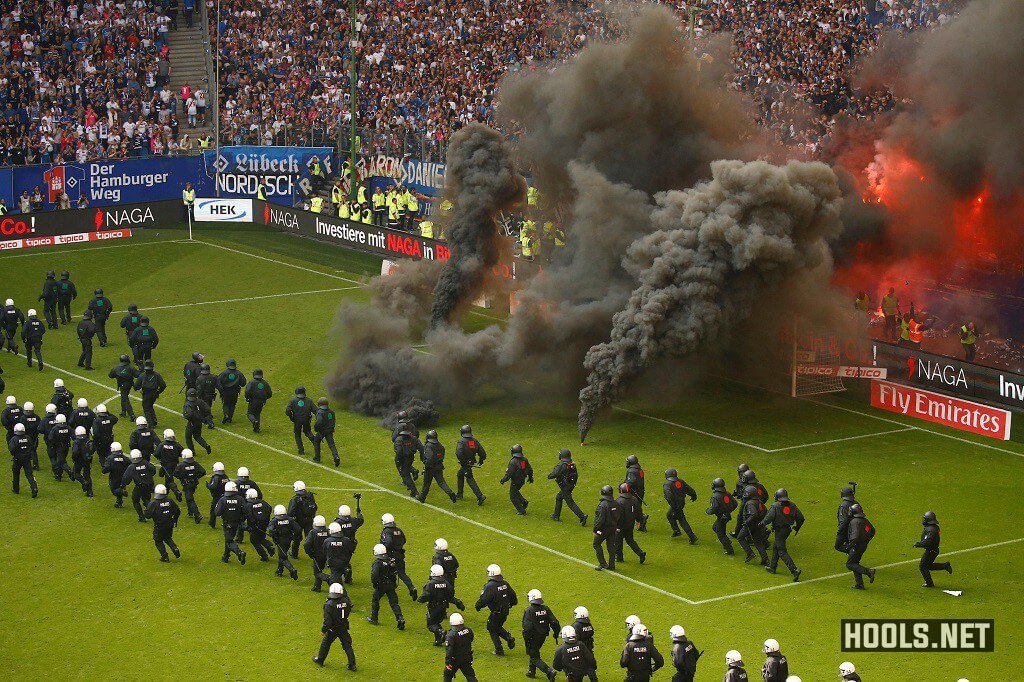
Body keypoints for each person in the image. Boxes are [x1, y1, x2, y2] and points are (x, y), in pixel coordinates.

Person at [475, 563, 518, 655]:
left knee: (491, 628)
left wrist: (478, 606)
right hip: (505, 611)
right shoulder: (505, 583)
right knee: (496, 626)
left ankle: (499, 649)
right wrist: (512, 604)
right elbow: (513, 596)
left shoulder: (490, 586)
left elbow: (484, 599)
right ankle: (508, 637)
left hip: (497, 612)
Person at [762, 489, 805, 581]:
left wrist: (762, 523)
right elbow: (801, 518)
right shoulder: (792, 505)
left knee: (781, 551)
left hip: (779, 530)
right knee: (776, 547)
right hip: (787, 530)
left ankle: (794, 570)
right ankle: (772, 568)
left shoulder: (775, 506)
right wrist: (797, 527)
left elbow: (769, 518)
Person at [313, 583, 357, 670]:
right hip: (343, 626)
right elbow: (348, 611)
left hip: (333, 629)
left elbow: (328, 621)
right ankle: (352, 664)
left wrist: (323, 630)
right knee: (347, 645)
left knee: (325, 644)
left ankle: (320, 659)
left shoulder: (329, 604)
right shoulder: (346, 601)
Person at [419, 564, 465, 646]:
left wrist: (420, 600)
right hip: (443, 607)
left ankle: (441, 632)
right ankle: (438, 641)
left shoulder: (430, 584)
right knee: (437, 623)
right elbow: (451, 594)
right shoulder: (446, 582)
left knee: (431, 625)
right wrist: (457, 602)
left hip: (433, 607)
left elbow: (426, 595)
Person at [522, 588, 559, 681]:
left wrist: (526, 638)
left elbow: (527, 628)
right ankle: (531, 671)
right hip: (542, 636)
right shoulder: (545, 609)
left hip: (532, 637)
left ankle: (549, 671)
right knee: (534, 651)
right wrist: (556, 633)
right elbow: (554, 622)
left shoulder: (529, 611)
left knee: (534, 656)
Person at [366, 542, 406, 627]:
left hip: (381, 585)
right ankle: (400, 618)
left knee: (375, 600)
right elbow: (395, 573)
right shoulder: (390, 560)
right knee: (394, 603)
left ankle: (374, 618)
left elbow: (374, 575)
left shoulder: (377, 563)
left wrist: (375, 584)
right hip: (391, 585)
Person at [380, 513, 417, 599]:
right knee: (402, 573)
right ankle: (412, 587)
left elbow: (388, 542)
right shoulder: (398, 530)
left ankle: (388, 589)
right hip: (400, 555)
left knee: (386, 572)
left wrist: (383, 548)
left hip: (390, 555)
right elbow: (404, 540)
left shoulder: (387, 531)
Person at [548, 448, 587, 525]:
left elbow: (554, 474)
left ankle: (582, 516)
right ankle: (556, 515)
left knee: (570, 503)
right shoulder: (571, 464)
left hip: (565, 487)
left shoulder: (562, 465)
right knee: (559, 497)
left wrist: (549, 476)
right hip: (570, 485)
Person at [145, 484, 181, 562]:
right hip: (169, 524)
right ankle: (174, 548)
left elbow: (147, 515)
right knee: (167, 537)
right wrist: (175, 519)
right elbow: (177, 510)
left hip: (159, 525)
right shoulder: (170, 501)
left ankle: (165, 556)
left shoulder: (154, 503)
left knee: (158, 540)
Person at [915, 511, 952, 587]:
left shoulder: (930, 530)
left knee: (923, 566)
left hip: (931, 551)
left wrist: (918, 544)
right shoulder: (934, 527)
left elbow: (927, 542)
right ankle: (945, 566)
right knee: (928, 566)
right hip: (933, 550)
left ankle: (929, 583)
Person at [419, 430, 457, 504]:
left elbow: (429, 458)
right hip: (439, 466)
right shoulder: (440, 445)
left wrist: (426, 465)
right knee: (441, 482)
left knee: (426, 483)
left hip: (430, 468)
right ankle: (450, 492)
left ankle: (422, 497)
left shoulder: (429, 446)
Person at [214, 480, 247, 564]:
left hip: (227, 523)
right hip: (236, 523)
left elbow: (217, 513)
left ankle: (239, 553)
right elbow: (246, 510)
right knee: (229, 539)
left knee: (229, 541)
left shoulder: (223, 499)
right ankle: (226, 556)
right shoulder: (240, 499)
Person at [736, 485, 770, 565]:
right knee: (758, 542)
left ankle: (750, 553)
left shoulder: (750, 503)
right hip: (758, 525)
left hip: (750, 525)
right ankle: (766, 560)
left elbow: (753, 514)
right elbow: (765, 511)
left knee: (740, 537)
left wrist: (747, 521)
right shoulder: (759, 502)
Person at [845, 503, 877, 589]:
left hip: (856, 546)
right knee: (855, 563)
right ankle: (859, 584)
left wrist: (849, 546)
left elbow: (854, 536)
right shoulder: (864, 521)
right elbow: (872, 531)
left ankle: (868, 571)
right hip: (863, 545)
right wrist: (866, 540)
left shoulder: (854, 522)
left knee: (850, 564)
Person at [664, 468, 698, 543]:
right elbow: (688, 489)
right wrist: (693, 495)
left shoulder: (667, 484)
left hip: (675, 505)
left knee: (682, 520)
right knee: (669, 515)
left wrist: (673, 507)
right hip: (681, 503)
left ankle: (692, 537)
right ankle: (676, 531)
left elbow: (669, 496)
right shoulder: (680, 481)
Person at [455, 424, 486, 505]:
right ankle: (459, 494)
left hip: (465, 464)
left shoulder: (461, 441)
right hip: (471, 462)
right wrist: (481, 459)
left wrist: (463, 462)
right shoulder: (474, 441)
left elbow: (458, 453)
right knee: (459, 474)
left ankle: (480, 496)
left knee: (469, 478)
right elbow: (482, 452)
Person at [616, 482, 647, 564]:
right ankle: (640, 553)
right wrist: (638, 520)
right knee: (630, 540)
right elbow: (639, 511)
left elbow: (618, 515)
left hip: (621, 525)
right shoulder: (634, 499)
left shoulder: (619, 501)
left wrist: (617, 525)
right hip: (630, 524)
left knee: (618, 541)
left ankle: (619, 557)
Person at [123, 449, 157, 522]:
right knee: (146, 500)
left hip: (139, 486)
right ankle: (154, 512)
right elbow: (153, 470)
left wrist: (123, 485)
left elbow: (126, 478)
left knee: (135, 500)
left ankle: (142, 517)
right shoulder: (146, 463)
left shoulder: (132, 467)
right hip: (149, 485)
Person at [173, 448, 206, 523]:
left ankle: (197, 514)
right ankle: (190, 511)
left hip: (187, 484)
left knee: (189, 499)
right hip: (194, 483)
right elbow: (203, 472)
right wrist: (196, 477)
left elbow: (175, 474)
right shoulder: (195, 463)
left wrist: (182, 478)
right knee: (189, 496)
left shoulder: (182, 465)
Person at [706, 477, 737, 555]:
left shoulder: (715, 497)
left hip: (721, 517)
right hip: (726, 516)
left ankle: (729, 550)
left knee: (721, 534)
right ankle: (727, 541)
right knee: (715, 527)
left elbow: (713, 509)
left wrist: (708, 511)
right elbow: (735, 504)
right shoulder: (727, 493)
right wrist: (728, 511)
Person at [288, 481, 319, 558]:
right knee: (310, 538)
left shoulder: (295, 499)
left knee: (297, 537)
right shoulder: (310, 496)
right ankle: (316, 555)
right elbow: (315, 507)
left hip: (299, 520)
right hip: (310, 519)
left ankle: (294, 554)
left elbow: (290, 512)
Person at [499, 444, 533, 515]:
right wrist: (530, 477)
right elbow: (529, 469)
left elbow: (509, 474)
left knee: (513, 496)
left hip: (515, 481)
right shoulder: (524, 460)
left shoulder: (513, 462)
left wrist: (503, 480)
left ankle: (521, 510)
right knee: (515, 491)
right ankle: (524, 501)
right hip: (521, 480)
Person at [269, 504, 301, 580]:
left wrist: (274, 536)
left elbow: (271, 530)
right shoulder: (290, 519)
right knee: (282, 554)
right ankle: (279, 570)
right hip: (288, 539)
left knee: (283, 557)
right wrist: (294, 536)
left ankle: (291, 569)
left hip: (280, 541)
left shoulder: (274, 521)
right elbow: (298, 529)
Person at [593, 484, 620, 571]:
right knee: (611, 546)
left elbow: (600, 520)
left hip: (602, 530)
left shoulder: (603, 505)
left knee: (596, 543)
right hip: (613, 528)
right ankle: (612, 565)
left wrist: (595, 529)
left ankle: (603, 563)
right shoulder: (616, 503)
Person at [444, 613, 477, 681]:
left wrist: (448, 662)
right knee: (470, 676)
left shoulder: (451, 635)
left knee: (447, 675)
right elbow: (471, 639)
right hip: (466, 657)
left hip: (455, 660)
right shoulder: (468, 630)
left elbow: (449, 650)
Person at [9, 423, 38, 497]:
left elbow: (12, 449)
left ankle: (16, 489)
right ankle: (34, 487)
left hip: (18, 459)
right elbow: (32, 446)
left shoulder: (14, 439)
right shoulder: (28, 437)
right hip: (27, 459)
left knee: (16, 473)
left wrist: (15, 455)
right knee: (29, 474)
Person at [135, 360, 167, 428]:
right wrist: (158, 392)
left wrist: (137, 388)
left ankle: (151, 423)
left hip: (146, 394)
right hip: (154, 394)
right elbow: (163, 385)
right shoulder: (156, 375)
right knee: (150, 406)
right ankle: (154, 420)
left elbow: (136, 386)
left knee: (146, 407)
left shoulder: (142, 375)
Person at [153, 426, 183, 500]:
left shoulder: (162, 445)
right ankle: (166, 493)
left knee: (169, 480)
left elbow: (156, 454)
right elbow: (182, 453)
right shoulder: (177, 445)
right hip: (174, 464)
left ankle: (176, 491)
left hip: (166, 465)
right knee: (168, 479)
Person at [324, 522, 356, 587]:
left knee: (335, 578)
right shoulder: (346, 540)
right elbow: (351, 550)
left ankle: (339, 589)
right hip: (344, 561)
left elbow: (324, 550)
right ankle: (346, 572)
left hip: (333, 562)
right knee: (345, 567)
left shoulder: (327, 541)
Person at [285, 386, 316, 456]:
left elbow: (287, 410)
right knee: (308, 432)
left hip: (297, 420)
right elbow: (315, 411)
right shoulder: (309, 400)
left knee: (297, 434)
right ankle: (315, 443)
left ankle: (301, 450)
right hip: (306, 419)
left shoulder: (293, 400)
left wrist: (291, 417)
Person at [183, 388, 214, 455]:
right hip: (199, 422)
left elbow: (189, 414)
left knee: (188, 437)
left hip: (192, 423)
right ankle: (206, 445)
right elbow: (207, 409)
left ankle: (192, 452)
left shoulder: (188, 404)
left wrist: (186, 416)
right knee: (197, 436)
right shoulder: (200, 401)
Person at [46, 414, 76, 482]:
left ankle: (70, 472)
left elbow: (50, 438)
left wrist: (53, 445)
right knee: (61, 461)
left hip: (58, 447)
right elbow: (74, 436)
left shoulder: (55, 429)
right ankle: (58, 476)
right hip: (66, 447)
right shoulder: (68, 427)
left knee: (61, 462)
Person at [305, 516, 332, 593]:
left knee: (317, 572)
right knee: (319, 570)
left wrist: (310, 553)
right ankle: (317, 586)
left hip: (317, 555)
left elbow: (307, 544)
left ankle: (327, 578)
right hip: (326, 555)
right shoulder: (328, 531)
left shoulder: (313, 532)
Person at [393, 429, 422, 498]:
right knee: (407, 469)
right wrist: (422, 458)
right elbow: (421, 447)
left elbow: (399, 452)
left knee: (405, 476)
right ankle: (413, 491)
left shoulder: (399, 440)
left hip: (403, 459)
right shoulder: (414, 438)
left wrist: (398, 461)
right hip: (410, 458)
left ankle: (415, 492)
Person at [624, 455, 649, 531]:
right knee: (637, 507)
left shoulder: (632, 471)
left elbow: (630, 482)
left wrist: (623, 486)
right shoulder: (639, 469)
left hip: (634, 493)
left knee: (631, 508)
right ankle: (642, 525)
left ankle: (641, 518)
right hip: (640, 491)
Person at [216, 359, 245, 424]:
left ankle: (226, 415)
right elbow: (243, 383)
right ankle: (229, 419)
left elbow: (218, 382)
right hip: (235, 391)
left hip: (226, 391)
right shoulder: (239, 373)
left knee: (226, 404)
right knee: (232, 405)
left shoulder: (224, 373)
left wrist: (221, 390)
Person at [101, 442, 130, 507]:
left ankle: (122, 492)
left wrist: (104, 470)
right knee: (120, 487)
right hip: (123, 476)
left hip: (114, 476)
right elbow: (130, 465)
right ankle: (119, 502)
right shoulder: (125, 458)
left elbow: (106, 468)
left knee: (114, 490)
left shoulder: (110, 458)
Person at [313, 397, 340, 465]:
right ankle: (336, 457)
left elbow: (319, 422)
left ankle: (317, 458)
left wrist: (316, 428)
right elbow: (333, 421)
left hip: (322, 431)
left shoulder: (320, 412)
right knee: (331, 445)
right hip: (330, 430)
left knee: (316, 441)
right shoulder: (331, 412)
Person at [71, 426, 94, 497]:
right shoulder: (87, 440)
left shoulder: (76, 442)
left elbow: (75, 452)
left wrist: (74, 459)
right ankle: (90, 492)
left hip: (79, 460)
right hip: (87, 460)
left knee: (76, 473)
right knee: (87, 475)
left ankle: (84, 482)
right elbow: (93, 449)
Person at [835, 486, 858, 553]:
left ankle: (853, 552)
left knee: (838, 546)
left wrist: (840, 530)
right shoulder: (856, 503)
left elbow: (843, 520)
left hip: (846, 530)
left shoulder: (844, 506)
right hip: (855, 528)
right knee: (849, 543)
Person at [206, 461, 228, 528]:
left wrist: (208, 485)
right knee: (225, 510)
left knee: (213, 510)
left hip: (217, 497)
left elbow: (213, 486)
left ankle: (212, 522)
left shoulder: (216, 477)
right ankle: (225, 523)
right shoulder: (225, 476)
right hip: (225, 495)